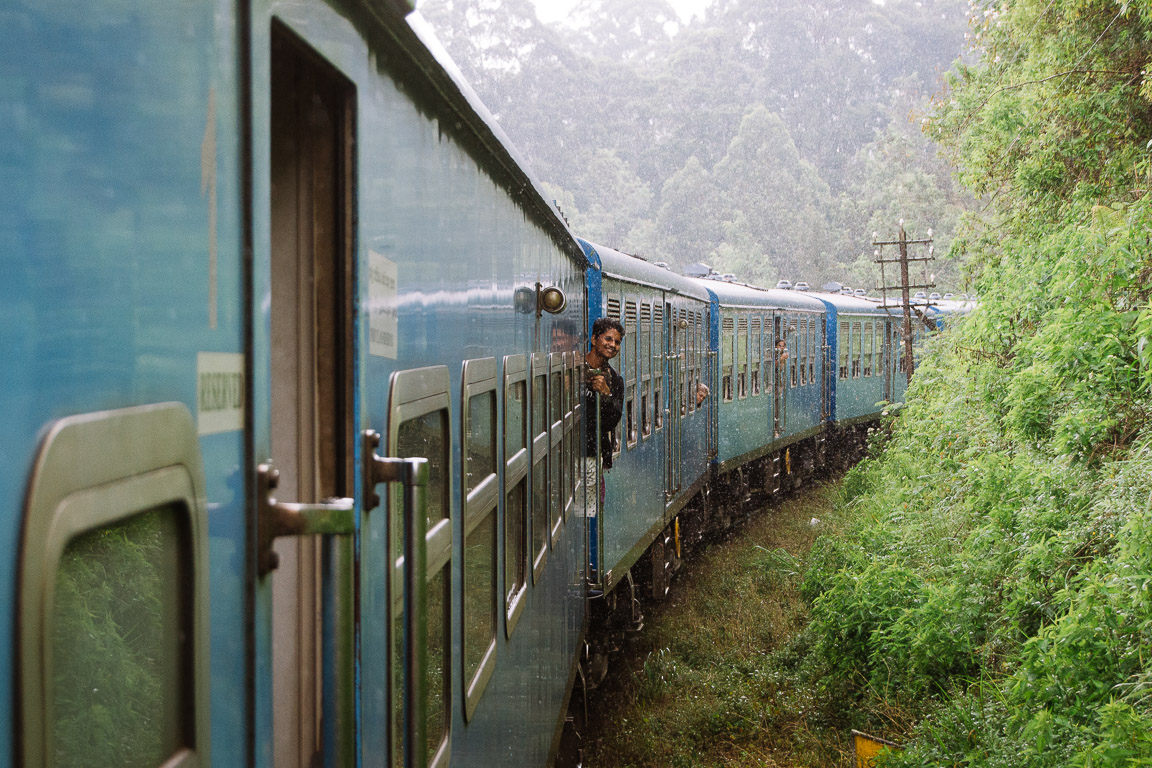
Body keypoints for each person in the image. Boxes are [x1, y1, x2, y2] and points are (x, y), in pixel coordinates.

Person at [581, 318, 624, 586]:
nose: (612, 345)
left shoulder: (614, 379)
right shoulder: (573, 368)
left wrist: (606, 394)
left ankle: (586, 561)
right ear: (594, 338)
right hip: (567, 452)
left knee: (587, 511)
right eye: (608, 339)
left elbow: (611, 421)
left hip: (591, 455)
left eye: (617, 342)